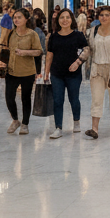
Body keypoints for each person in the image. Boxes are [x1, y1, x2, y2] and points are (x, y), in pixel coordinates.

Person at [0, 8, 44, 135]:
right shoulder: (11, 33)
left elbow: (39, 51)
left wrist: (25, 52)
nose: (16, 19)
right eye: (15, 17)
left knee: (25, 98)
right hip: (11, 71)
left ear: (26, 19)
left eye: (19, 17)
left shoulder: (32, 34)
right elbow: (5, 48)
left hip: (27, 71)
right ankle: (15, 120)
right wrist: (0, 62)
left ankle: (25, 124)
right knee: (9, 97)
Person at [44, 8, 88, 139]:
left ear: (72, 20)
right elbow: (49, 55)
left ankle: (76, 121)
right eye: (62, 18)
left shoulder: (78, 35)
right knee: (57, 101)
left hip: (73, 74)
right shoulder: (53, 37)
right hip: (57, 73)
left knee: (74, 99)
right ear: (58, 20)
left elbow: (86, 50)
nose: (64, 20)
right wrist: (46, 73)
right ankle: (58, 127)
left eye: (67, 17)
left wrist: (78, 62)